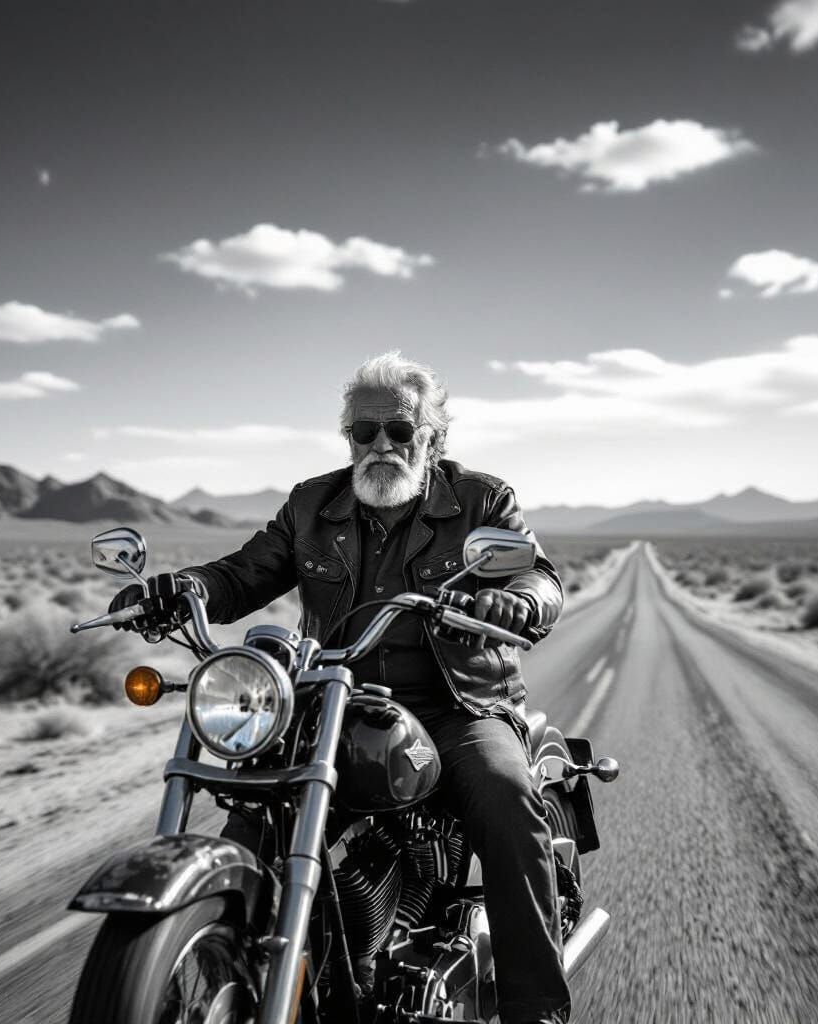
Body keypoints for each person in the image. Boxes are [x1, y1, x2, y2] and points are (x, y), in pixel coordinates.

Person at [110, 352, 569, 1024]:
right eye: (364, 431)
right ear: (347, 437)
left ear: (431, 438)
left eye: (399, 431)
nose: (380, 445)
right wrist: (182, 589)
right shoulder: (310, 504)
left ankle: (537, 1011)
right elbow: (242, 575)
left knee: (504, 796)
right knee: (256, 823)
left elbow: (541, 577)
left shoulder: (481, 500)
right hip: (330, 702)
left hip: (456, 705)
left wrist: (518, 603)